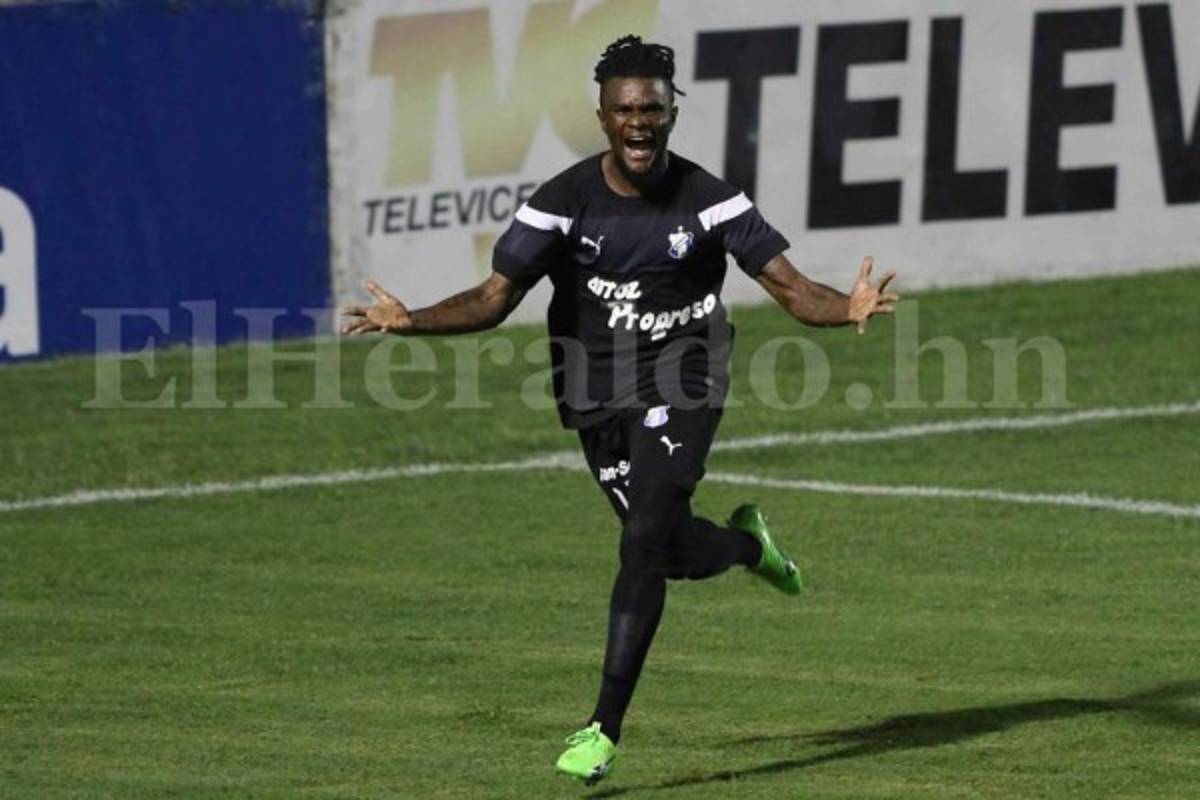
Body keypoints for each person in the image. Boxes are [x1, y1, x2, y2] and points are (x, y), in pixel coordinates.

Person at [341, 35, 898, 787]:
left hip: (686, 380)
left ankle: (602, 728)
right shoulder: (561, 205)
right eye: (625, 110)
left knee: (641, 542)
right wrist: (411, 320)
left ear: (672, 114)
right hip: (595, 393)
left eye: (652, 110)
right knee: (665, 552)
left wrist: (846, 306)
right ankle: (748, 548)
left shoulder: (712, 201)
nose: (639, 123)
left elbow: (792, 290)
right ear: (603, 117)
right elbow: (493, 298)